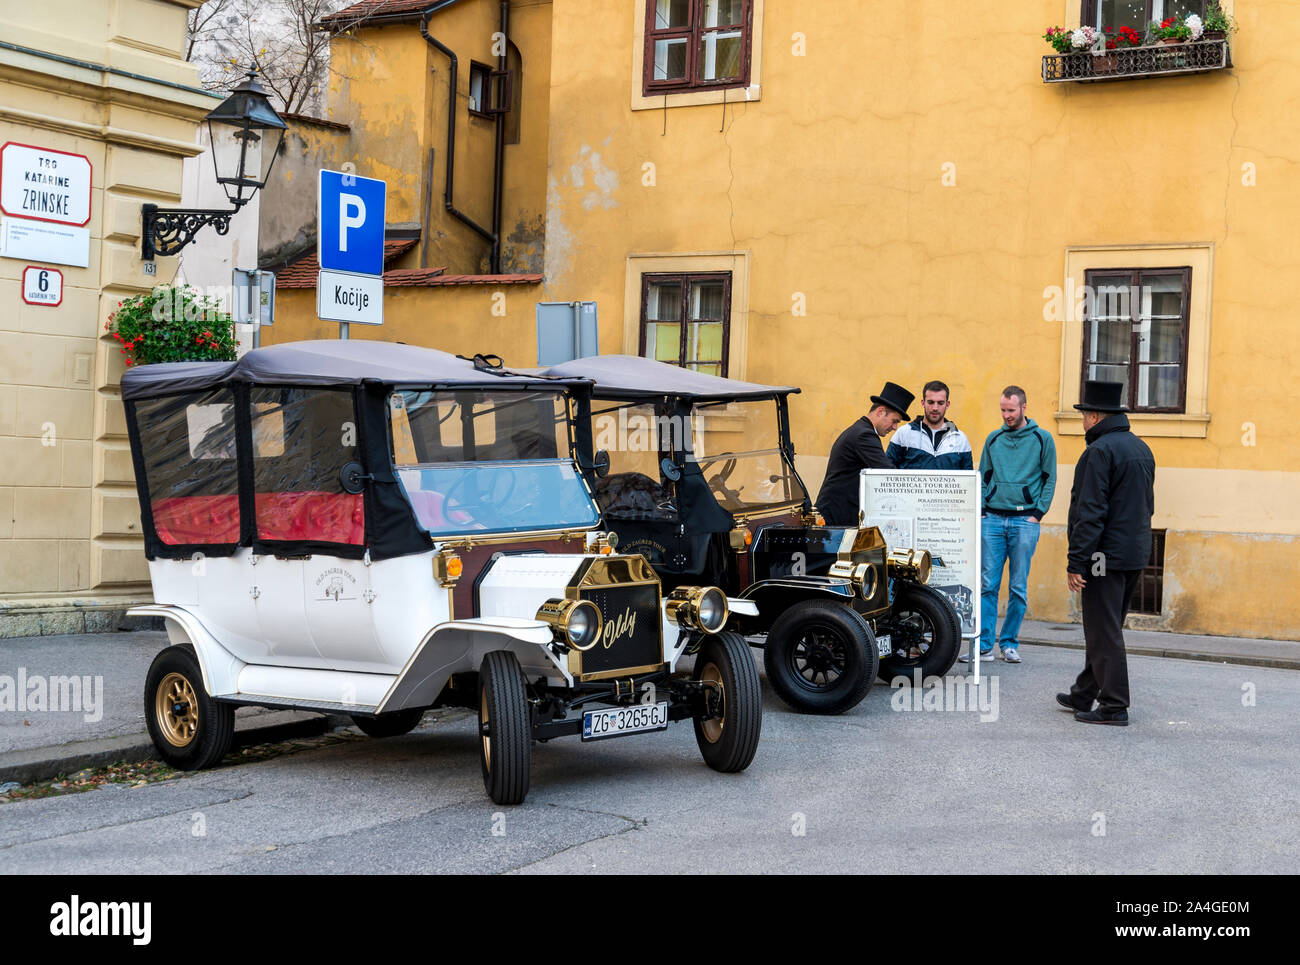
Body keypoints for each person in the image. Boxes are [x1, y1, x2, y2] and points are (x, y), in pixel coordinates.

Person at [1058, 380, 1155, 726]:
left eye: (1084, 414)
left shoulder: (1098, 452)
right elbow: (1147, 506)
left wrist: (1077, 561)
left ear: (1095, 416)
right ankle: (1084, 692)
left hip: (1103, 557)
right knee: (1105, 627)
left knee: (1103, 630)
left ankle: (1114, 706)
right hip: (1134, 552)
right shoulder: (1140, 448)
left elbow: (1090, 512)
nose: (1082, 421)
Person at [961, 385, 1056, 664]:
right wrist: (981, 510)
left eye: (1011, 410)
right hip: (992, 519)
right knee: (988, 584)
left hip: (1025, 521)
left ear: (1024, 407)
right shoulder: (994, 439)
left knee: (1017, 586)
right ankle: (984, 645)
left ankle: (1010, 643)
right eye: (1003, 410)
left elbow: (1049, 478)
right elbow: (983, 475)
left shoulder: (1042, 439)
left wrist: (1038, 513)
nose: (1006, 415)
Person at [815, 382, 914, 526]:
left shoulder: (859, 430)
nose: (894, 428)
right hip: (836, 517)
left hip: (836, 514)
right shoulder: (864, 435)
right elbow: (888, 473)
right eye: (894, 421)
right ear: (880, 411)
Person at [885, 380, 974, 470]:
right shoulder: (904, 433)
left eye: (940, 403)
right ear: (923, 403)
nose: (935, 408)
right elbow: (887, 470)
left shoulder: (960, 439)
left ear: (947, 404)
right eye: (930, 402)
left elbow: (968, 481)